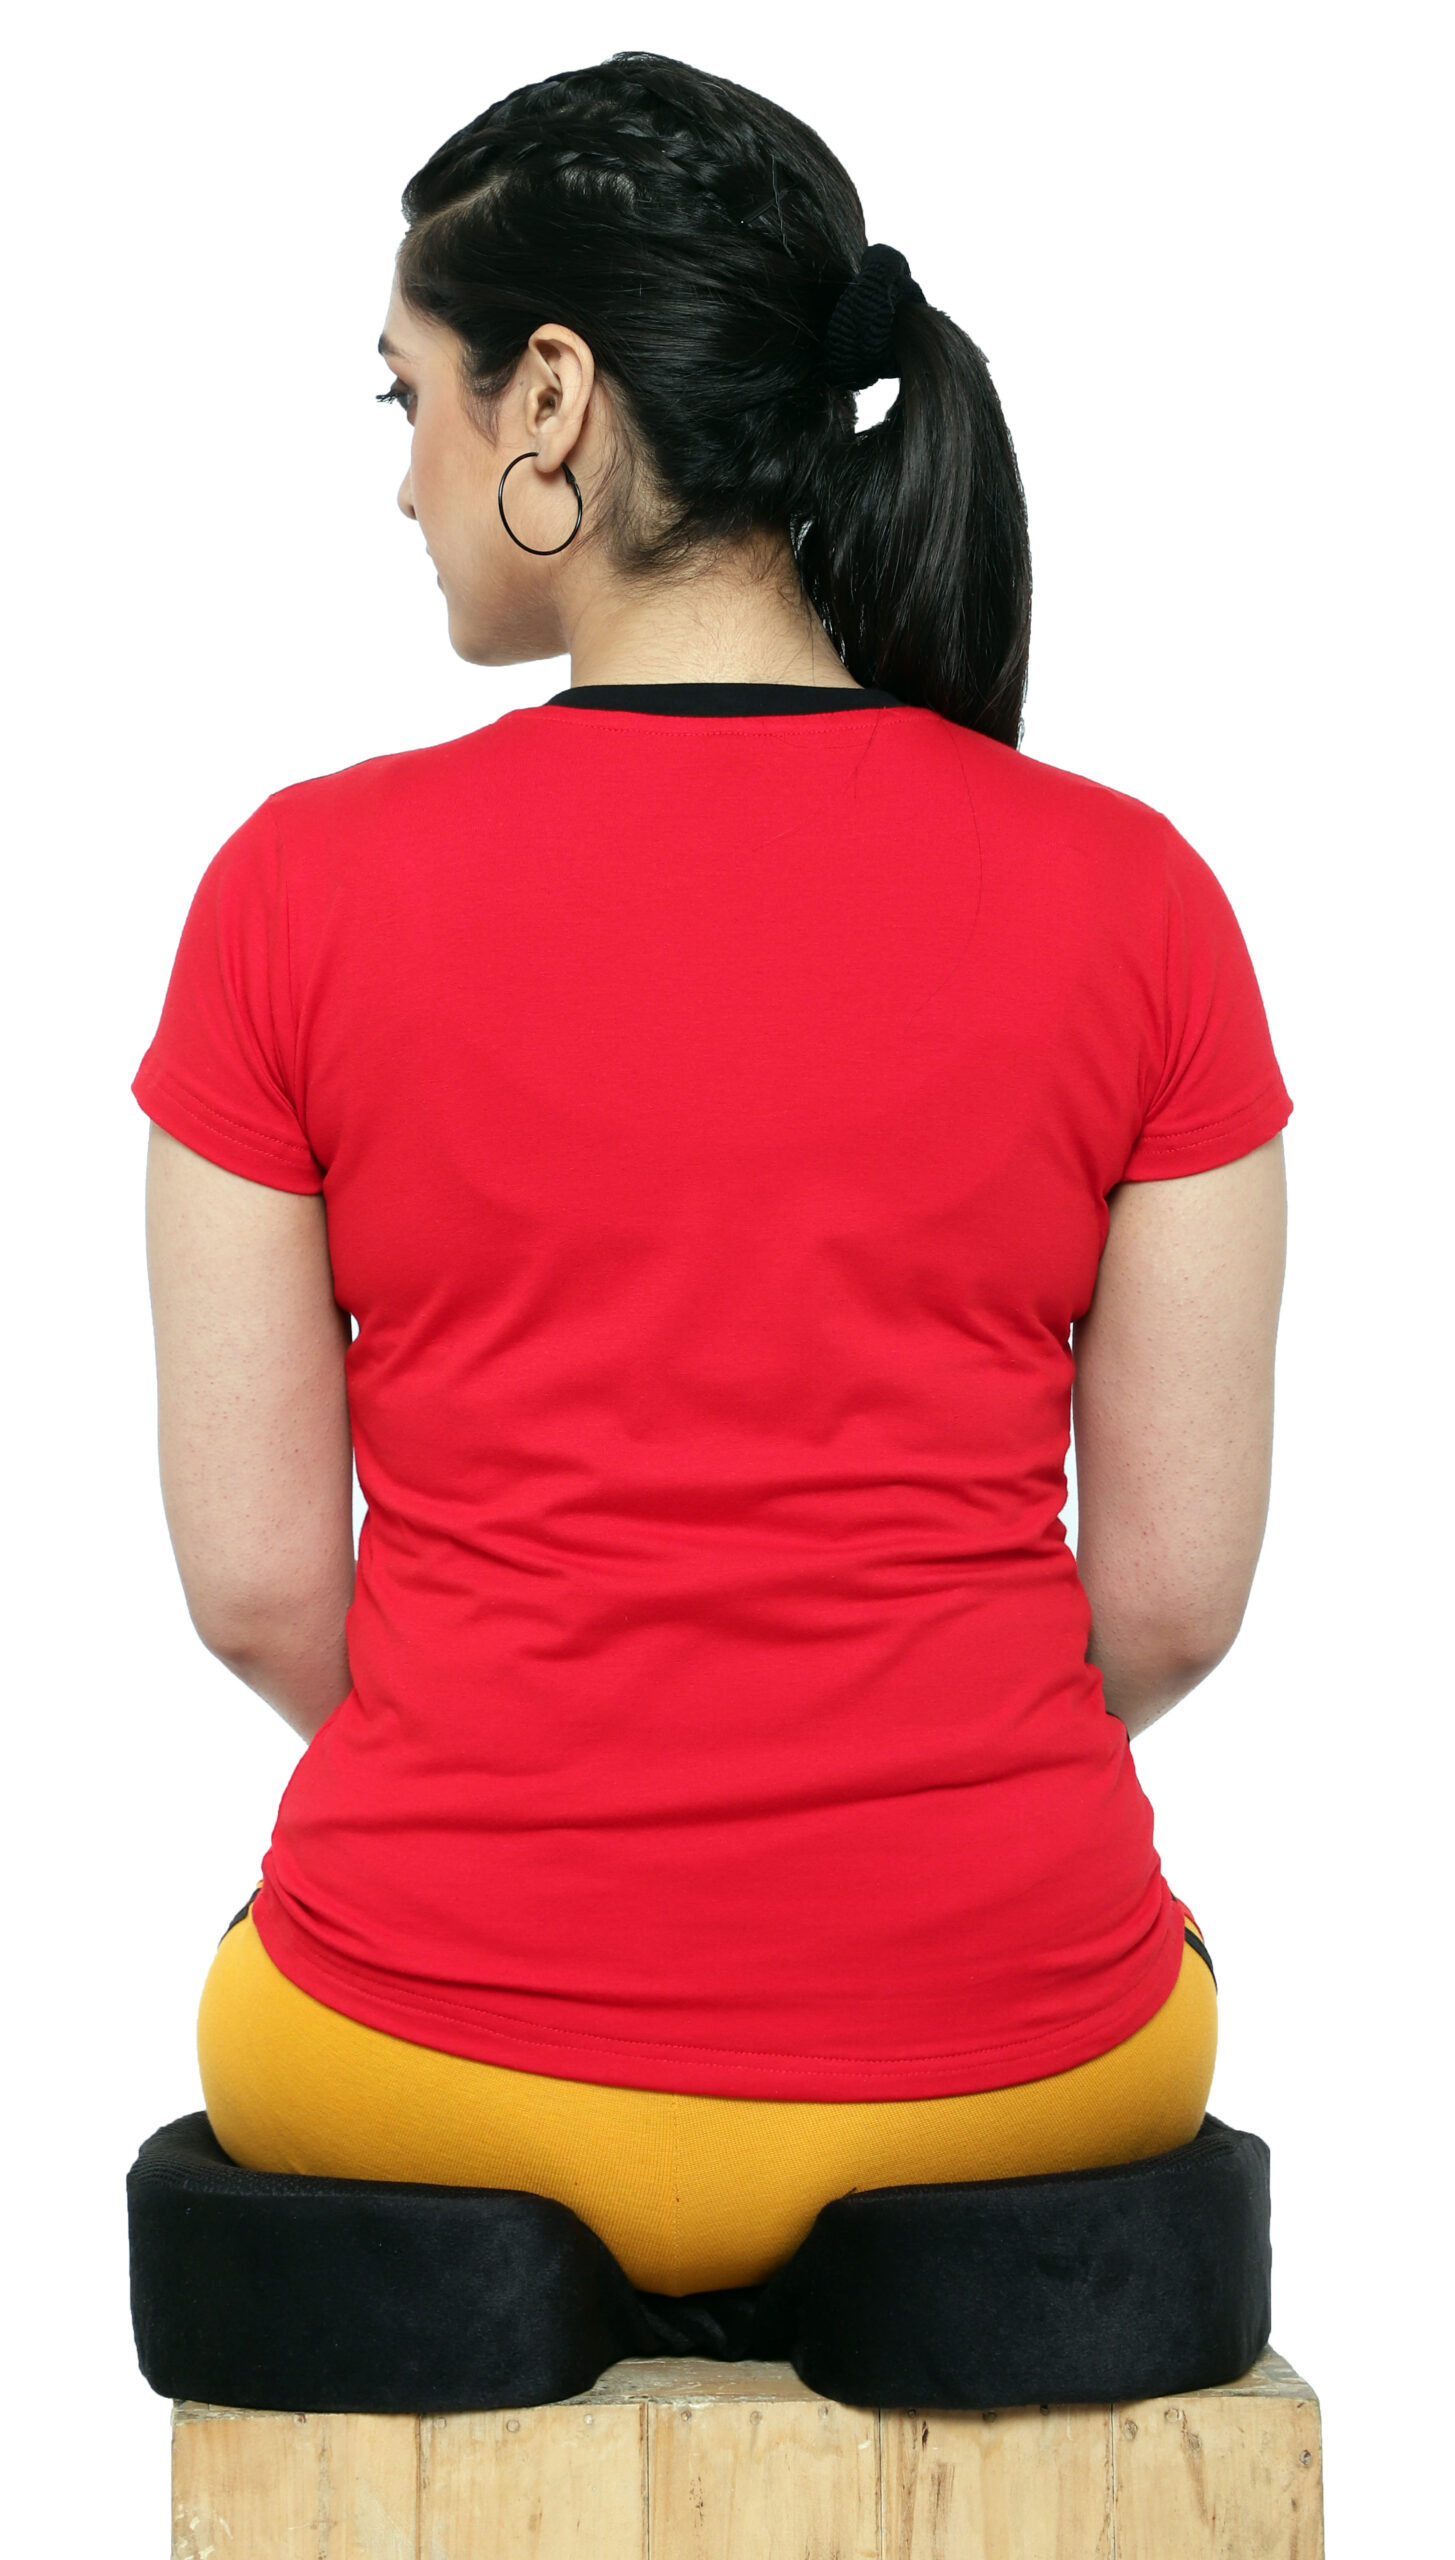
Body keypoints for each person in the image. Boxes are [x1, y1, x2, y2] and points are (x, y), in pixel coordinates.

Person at [134, 52, 1290, 2301]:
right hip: (1017, 2064)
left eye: (407, 395)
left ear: (552, 398)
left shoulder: (294, 892)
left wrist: (538, 1769)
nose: (400, 475)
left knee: (288, 1979)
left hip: (420, 2049)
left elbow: (262, 1592)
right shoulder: (1139, 900)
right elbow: (1165, 1603)